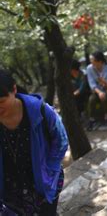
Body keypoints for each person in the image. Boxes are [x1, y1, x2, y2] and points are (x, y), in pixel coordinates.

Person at [0, 69, 69, 215]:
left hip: (44, 181)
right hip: (11, 191)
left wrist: (50, 168)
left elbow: (61, 140)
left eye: (1, 101)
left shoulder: (41, 111)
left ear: (14, 89)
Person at [86, 51, 107, 130]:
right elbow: (91, 84)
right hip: (96, 91)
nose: (91, 62)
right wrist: (99, 92)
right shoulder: (89, 68)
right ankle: (91, 119)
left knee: (104, 97)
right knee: (92, 99)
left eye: (93, 60)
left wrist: (103, 81)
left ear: (99, 61)